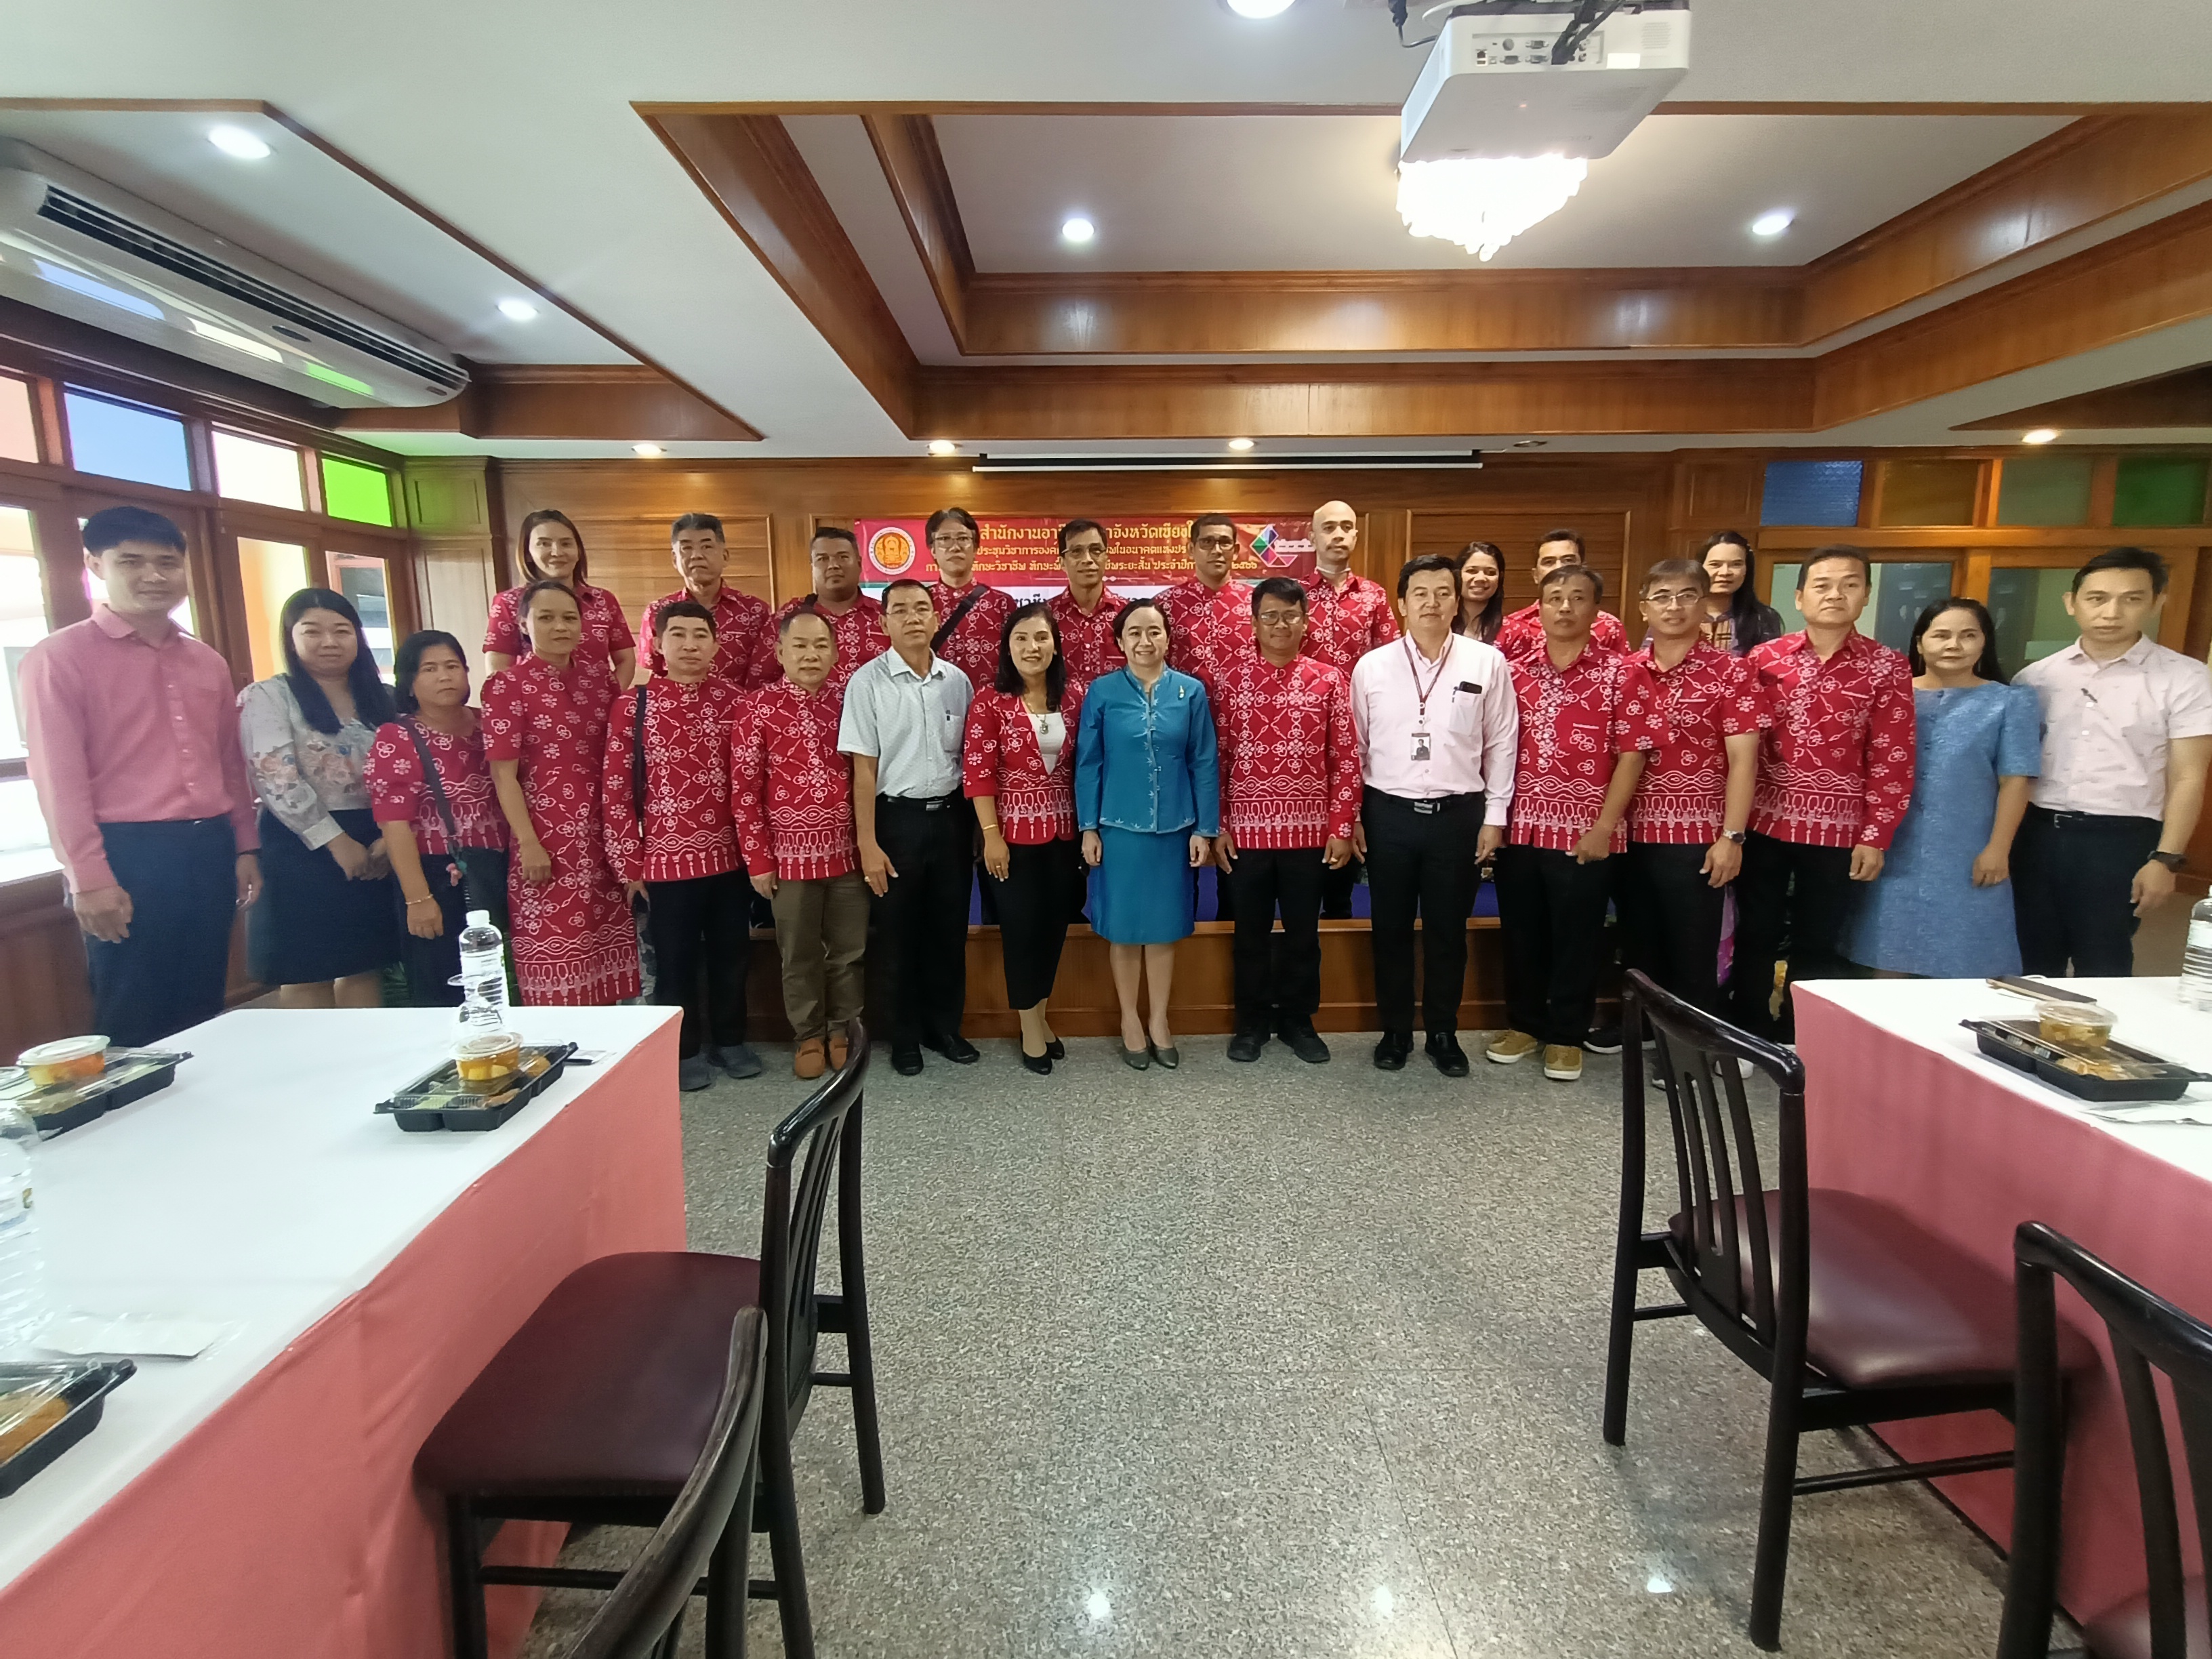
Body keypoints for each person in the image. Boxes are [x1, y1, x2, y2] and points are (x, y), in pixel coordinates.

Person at [20, 506, 261, 1046]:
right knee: (133, 1005)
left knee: (203, 1001)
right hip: (127, 852)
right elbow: (58, 780)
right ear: (95, 565)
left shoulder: (207, 661)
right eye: (131, 562)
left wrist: (245, 845)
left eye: (167, 563)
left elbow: (228, 763)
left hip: (208, 846)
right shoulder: (59, 658)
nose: (153, 576)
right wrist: (89, 877)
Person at [1729, 546, 1916, 1042]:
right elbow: (1740, 744)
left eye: (1849, 585)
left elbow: (1893, 755)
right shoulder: (1764, 660)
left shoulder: (1887, 667)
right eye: (1822, 585)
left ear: (1866, 595)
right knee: (1756, 931)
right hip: (1763, 821)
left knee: (1818, 940)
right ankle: (1747, 1027)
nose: (1835, 595)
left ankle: (1799, 1034)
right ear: (1800, 597)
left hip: (1839, 831)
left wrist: (1876, 835)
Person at [1488, 566, 1662, 1083]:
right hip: (1520, 827)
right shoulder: (1513, 672)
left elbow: (1633, 755)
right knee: (1521, 932)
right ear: (1539, 607)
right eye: (1555, 598)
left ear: (1596, 609)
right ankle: (1524, 1024)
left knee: (1578, 937)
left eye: (1578, 598)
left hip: (1585, 831)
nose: (1565, 607)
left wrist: (1606, 827)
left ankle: (1566, 1034)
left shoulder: (1623, 672)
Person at [1349, 556, 1517, 1076]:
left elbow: (1502, 741)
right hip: (1388, 814)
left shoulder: (1486, 662)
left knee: (1448, 930)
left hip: (1458, 815)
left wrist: (1495, 816)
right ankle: (1395, 1031)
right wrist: (1353, 816)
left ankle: (1443, 1032)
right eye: (1420, 593)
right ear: (1401, 603)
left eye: (1443, 592)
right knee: (1390, 929)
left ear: (1457, 600)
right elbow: (1356, 747)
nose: (1432, 603)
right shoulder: (1372, 666)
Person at [2011, 547, 2212, 977]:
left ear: (2157, 602)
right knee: (2028, 957)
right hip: (2038, 833)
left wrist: (2166, 859)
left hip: (2122, 840)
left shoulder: (2185, 678)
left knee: (2103, 960)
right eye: (2097, 598)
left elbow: (2189, 776)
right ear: (2072, 603)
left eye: (2132, 599)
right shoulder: (2036, 677)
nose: (2112, 612)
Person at [604, 602, 762, 1090]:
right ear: (657, 644)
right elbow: (615, 789)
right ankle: (684, 1048)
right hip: (664, 863)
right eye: (678, 635)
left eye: (700, 635)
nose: (690, 645)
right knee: (675, 961)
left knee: (732, 955)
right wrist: (629, 864)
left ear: (716, 645)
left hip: (732, 858)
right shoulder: (633, 705)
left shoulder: (738, 701)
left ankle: (730, 1040)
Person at [1843, 599, 2041, 978]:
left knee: (1966, 964)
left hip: (1967, 850)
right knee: (1886, 959)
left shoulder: (2009, 702)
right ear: (1919, 643)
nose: (1954, 645)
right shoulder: (1891, 696)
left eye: (1968, 636)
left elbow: (2015, 780)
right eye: (1942, 635)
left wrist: (1999, 849)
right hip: (1891, 845)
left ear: (1985, 642)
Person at [1212, 577, 1359, 1065]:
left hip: (1309, 836)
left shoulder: (1329, 680)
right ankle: (1251, 1023)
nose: (1280, 625)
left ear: (1305, 622)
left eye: (1290, 615)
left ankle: (1299, 1021)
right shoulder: (1230, 681)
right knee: (1249, 935)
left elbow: (1345, 759)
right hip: (1245, 836)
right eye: (1270, 616)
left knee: (1303, 936)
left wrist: (1341, 827)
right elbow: (1217, 759)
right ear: (1254, 623)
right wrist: (1219, 825)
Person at [238, 588, 401, 1007]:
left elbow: (410, 773)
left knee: (363, 964)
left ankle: (367, 1051)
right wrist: (335, 841)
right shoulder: (269, 696)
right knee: (306, 969)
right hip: (300, 841)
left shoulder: (382, 697)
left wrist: (391, 838)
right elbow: (275, 776)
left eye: (342, 631)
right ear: (291, 638)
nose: (329, 642)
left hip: (377, 836)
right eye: (312, 631)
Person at [483, 580, 641, 1006]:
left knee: (607, 961)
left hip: (603, 837)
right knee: (556, 959)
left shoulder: (601, 681)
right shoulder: (507, 685)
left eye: (570, 618)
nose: (560, 627)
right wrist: (528, 842)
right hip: (546, 840)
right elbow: (503, 776)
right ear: (523, 624)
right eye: (547, 618)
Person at [842, 577, 977, 1076]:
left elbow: (969, 760)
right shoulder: (867, 682)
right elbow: (863, 771)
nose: (912, 617)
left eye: (921, 608)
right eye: (899, 610)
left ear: (936, 617)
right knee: (897, 934)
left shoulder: (957, 682)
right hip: (895, 821)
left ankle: (944, 1028)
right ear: (884, 623)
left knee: (948, 930)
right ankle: (904, 1037)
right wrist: (868, 843)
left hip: (951, 818)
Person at [1618, 561, 1763, 1019]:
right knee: (1638, 946)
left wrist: (1732, 837)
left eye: (1686, 596)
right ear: (1644, 608)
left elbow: (1744, 760)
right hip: (1628, 834)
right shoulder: (1624, 672)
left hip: (1696, 838)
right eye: (1662, 597)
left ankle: (1691, 1047)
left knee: (1693, 952)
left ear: (1704, 605)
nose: (1674, 606)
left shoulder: (1732, 673)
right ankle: (1642, 1033)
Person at [1078, 600, 1219, 1069]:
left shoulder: (1190, 692)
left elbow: (1204, 761)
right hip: (1118, 829)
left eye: (1154, 631)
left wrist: (1205, 828)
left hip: (1175, 829)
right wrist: (1088, 827)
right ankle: (1129, 1020)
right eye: (1134, 633)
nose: (1145, 641)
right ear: (1120, 642)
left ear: (1167, 638)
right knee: (1123, 930)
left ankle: (1159, 1020)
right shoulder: (1102, 692)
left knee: (1163, 930)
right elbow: (1089, 763)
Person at [733, 609, 866, 1082]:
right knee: (799, 953)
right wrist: (758, 859)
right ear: (780, 652)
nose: (811, 655)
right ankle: (808, 1035)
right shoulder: (756, 707)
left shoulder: (851, 700)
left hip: (849, 854)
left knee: (848, 951)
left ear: (835, 652)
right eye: (801, 646)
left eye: (821, 645)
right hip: (787, 859)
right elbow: (745, 789)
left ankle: (842, 1030)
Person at [963, 604, 1086, 1073]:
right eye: (1021, 639)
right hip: (1011, 837)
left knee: (1054, 929)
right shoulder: (990, 700)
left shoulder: (1075, 697)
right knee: (1021, 932)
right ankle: (1029, 1027)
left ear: (1055, 644)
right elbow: (978, 775)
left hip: (1064, 834)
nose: (1032, 647)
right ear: (1007, 648)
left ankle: (1041, 1015)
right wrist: (991, 836)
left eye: (1040, 638)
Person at [367, 631, 510, 1008]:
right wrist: (418, 898)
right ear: (409, 682)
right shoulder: (398, 737)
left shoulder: (488, 725)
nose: (445, 676)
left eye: (452, 666)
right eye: (429, 669)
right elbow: (394, 824)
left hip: (496, 868)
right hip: (434, 875)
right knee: (441, 988)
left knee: (497, 984)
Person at [1303, 500, 1399, 918]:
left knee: (1346, 855)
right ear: (1312, 537)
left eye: (1346, 527)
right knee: (1305, 864)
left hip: (1361, 734)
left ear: (1356, 535)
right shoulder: (1295, 596)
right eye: (1329, 527)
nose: (1338, 534)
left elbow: (1392, 662)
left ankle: (1339, 919)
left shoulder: (1373, 596)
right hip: (1304, 734)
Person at [483, 508, 636, 688]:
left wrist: (612, 697)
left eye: (566, 544)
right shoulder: (509, 603)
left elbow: (626, 660)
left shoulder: (603, 600)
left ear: (578, 551)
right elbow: (499, 666)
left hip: (600, 703)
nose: (557, 552)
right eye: (544, 544)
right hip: (534, 703)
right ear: (528, 553)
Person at [756, 527, 888, 704]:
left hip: (875, 716)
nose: (833, 565)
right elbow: (760, 682)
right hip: (806, 718)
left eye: (843, 557)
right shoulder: (788, 616)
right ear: (812, 567)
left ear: (859, 563)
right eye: (823, 559)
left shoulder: (887, 616)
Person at [640, 512, 773, 687]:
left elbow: (764, 675)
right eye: (686, 548)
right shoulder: (657, 611)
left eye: (707, 547)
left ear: (725, 556)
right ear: (674, 559)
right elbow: (655, 675)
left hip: (740, 703)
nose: (696, 555)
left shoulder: (755, 611)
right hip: (675, 703)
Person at [1492, 530, 1629, 663]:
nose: (1559, 568)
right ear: (1535, 575)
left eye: (1568, 560)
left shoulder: (1609, 627)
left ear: (1583, 569)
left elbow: (1625, 672)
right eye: (1549, 562)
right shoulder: (1511, 628)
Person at [923, 506, 1017, 693]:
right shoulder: (919, 604)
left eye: (963, 539)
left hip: (989, 706)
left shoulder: (1002, 604)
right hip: (931, 705)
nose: (955, 547)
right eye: (945, 539)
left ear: (975, 548)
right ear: (933, 550)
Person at [1156, 514, 1253, 685]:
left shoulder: (1257, 603)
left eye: (1225, 542)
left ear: (1236, 551)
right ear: (1191, 550)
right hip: (1185, 701)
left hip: (1246, 699)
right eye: (1207, 542)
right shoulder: (1165, 605)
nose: (1217, 551)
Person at [1045, 518, 1128, 691]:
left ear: (1106, 558)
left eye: (1096, 550)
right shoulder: (1045, 618)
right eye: (1076, 552)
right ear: (1062, 562)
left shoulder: (1128, 616)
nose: (1088, 559)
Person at [1696, 531, 1784, 656]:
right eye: (1715, 565)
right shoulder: (1682, 614)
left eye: (1736, 565)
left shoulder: (1763, 618)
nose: (1725, 572)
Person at [1454, 541, 1507, 643]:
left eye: (1490, 572)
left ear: (1500, 578)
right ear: (1457, 575)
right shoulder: (1437, 627)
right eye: (1472, 571)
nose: (1480, 578)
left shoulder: (1514, 632)